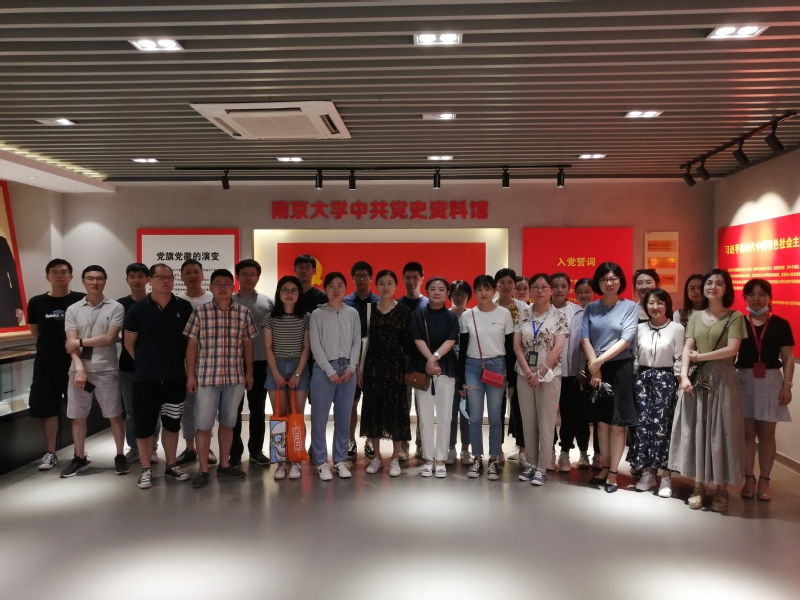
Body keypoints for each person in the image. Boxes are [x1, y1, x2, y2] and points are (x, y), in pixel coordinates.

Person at [669, 269, 747, 512]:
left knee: (722, 431)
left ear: (727, 289)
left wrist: (700, 357)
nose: (712, 286)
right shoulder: (695, 317)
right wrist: (684, 376)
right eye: (709, 283)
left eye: (719, 283)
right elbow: (687, 348)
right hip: (699, 379)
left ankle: (722, 489)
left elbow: (732, 349)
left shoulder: (735, 316)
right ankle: (698, 487)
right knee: (698, 430)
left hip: (723, 379)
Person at [184, 268, 258, 489]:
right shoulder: (200, 312)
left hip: (235, 379)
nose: (223, 287)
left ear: (233, 287)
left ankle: (225, 464)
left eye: (227, 283)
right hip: (206, 379)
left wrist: (249, 373)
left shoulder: (243, 312)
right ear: (211, 287)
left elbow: (248, 344)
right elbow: (191, 346)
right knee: (203, 425)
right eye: (218, 283)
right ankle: (203, 469)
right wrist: (190, 375)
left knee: (228, 423)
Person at [123, 264, 194, 489]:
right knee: (144, 426)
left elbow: (190, 342)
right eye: (160, 277)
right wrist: (146, 363)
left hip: (175, 377)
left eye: (169, 277)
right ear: (150, 280)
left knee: (172, 424)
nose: (166, 281)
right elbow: (129, 343)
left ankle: (171, 464)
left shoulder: (184, 307)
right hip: (145, 379)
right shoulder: (137, 309)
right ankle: (146, 469)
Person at [61, 265, 127, 478]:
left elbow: (109, 338)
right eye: (90, 278)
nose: (94, 282)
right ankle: (79, 457)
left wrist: (79, 342)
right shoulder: (73, 309)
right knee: (78, 416)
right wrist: (79, 368)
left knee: (114, 414)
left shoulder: (116, 307)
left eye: (99, 278)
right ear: (83, 281)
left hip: (106, 369)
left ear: (105, 281)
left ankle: (120, 455)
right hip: (78, 371)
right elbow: (70, 344)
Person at [580, 262, 639, 493]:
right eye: (604, 279)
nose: (609, 283)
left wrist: (598, 362)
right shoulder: (591, 307)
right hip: (596, 367)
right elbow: (585, 338)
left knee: (617, 423)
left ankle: (614, 471)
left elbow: (626, 339)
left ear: (620, 281)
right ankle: (604, 467)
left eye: (614, 278)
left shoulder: (629, 307)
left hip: (620, 367)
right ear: (599, 282)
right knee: (602, 422)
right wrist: (594, 366)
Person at [735, 278, 794, 502]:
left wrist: (787, 385)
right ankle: (748, 478)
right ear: (745, 298)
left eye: (761, 294)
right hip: (744, 380)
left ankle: (765, 480)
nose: (756, 299)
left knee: (767, 435)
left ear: (769, 297)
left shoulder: (780, 324)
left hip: (770, 381)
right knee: (747, 434)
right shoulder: (739, 322)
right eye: (751, 294)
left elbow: (788, 358)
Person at [27, 259, 85, 471]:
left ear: (71, 276)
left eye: (63, 272)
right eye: (54, 272)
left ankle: (80, 452)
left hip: (75, 364)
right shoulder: (36, 302)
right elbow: (35, 332)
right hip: (46, 364)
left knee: (77, 410)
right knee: (48, 409)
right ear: (47, 277)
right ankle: (50, 453)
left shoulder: (81, 300)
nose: (59, 275)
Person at [458, 274, 516, 481]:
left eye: (487, 289)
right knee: (474, 416)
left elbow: (510, 348)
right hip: (473, 367)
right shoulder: (468, 315)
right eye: (479, 289)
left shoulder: (504, 314)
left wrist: (512, 379)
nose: (483, 293)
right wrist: (460, 378)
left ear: (494, 291)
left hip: (497, 367)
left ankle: (493, 459)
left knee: (494, 416)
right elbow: (463, 349)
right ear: (474, 292)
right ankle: (476, 458)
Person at [513, 274, 569, 486]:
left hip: (549, 376)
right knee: (528, 421)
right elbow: (517, 344)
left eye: (544, 287)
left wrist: (541, 372)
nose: (539, 291)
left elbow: (558, 347)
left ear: (551, 290)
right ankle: (531, 463)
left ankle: (542, 467)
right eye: (535, 287)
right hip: (524, 374)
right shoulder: (523, 313)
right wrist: (528, 371)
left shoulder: (559, 316)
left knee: (546, 422)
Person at [629, 289, 684, 497]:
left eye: (660, 302)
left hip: (666, 380)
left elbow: (679, 358)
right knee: (643, 426)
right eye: (651, 303)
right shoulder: (640, 328)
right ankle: (648, 472)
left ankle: (666, 476)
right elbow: (635, 356)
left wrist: (678, 382)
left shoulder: (677, 329)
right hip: (643, 380)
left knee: (664, 427)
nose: (655, 307)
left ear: (667, 305)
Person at [358, 270, 412, 477]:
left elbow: (408, 344)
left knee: (397, 412)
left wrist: (407, 370)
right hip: (372, 368)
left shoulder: (404, 311)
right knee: (373, 411)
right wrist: (359, 368)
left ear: (396, 286)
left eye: (390, 283)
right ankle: (378, 457)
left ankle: (395, 458)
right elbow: (361, 341)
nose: (386, 287)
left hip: (395, 369)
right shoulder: (368, 309)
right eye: (381, 283)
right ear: (376, 286)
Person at [309, 272, 361, 480]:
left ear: (346, 288)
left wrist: (351, 367)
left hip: (347, 369)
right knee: (319, 418)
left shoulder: (352, 313)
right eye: (331, 285)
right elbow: (315, 345)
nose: (336, 289)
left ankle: (340, 460)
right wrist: (329, 371)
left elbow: (356, 342)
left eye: (340, 285)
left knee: (344, 417)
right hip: (324, 370)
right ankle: (321, 461)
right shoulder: (317, 314)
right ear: (325, 289)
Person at [263, 275, 311, 481]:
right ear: (279, 293)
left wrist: (298, 373)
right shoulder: (270, 317)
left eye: (293, 290)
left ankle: (296, 459)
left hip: (299, 367)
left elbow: (306, 348)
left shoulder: (306, 317)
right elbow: (268, 348)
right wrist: (276, 373)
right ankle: (281, 461)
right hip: (276, 367)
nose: (289, 294)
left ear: (299, 294)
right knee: (280, 415)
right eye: (285, 290)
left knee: (297, 415)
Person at [410, 277, 459, 478]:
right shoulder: (418, 313)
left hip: (446, 370)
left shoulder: (451, 316)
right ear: (427, 291)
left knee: (445, 416)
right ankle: (428, 458)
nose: (437, 292)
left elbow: (451, 340)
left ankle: (440, 459)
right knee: (425, 417)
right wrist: (430, 360)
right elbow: (417, 339)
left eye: (441, 289)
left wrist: (434, 358)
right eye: (432, 289)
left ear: (447, 293)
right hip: (423, 371)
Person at [230, 259, 274, 468]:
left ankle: (256, 450)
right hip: (233, 363)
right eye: (244, 274)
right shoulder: (229, 300)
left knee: (258, 409)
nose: (249, 278)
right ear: (238, 276)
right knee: (233, 410)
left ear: (258, 277)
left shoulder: (268, 302)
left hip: (260, 362)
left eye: (253, 274)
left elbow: (275, 332)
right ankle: (234, 452)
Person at [117, 262, 160, 465]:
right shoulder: (120, 305)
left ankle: (153, 449)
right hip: (128, 366)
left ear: (148, 279)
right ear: (127, 280)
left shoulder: (156, 302)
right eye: (132, 276)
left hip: (154, 367)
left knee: (154, 410)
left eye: (140, 276)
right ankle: (134, 449)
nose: (136, 280)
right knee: (131, 411)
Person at [175, 259, 216, 467]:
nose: (192, 276)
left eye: (196, 272)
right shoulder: (176, 300)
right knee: (187, 406)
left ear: (202, 275)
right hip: (182, 361)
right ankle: (190, 447)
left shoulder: (212, 298)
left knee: (207, 407)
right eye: (188, 272)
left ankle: (206, 447)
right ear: (181, 276)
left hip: (210, 361)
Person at [343, 261, 380, 461]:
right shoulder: (346, 302)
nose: (361, 279)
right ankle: (350, 440)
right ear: (352, 278)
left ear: (371, 278)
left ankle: (369, 442)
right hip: (351, 358)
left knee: (372, 404)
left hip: (374, 359)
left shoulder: (379, 302)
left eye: (365, 275)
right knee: (352, 403)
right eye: (358, 275)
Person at [494, 268, 527, 465]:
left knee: (519, 407)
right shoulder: (490, 306)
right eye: (501, 282)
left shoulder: (524, 308)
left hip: (519, 360)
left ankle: (523, 449)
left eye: (509, 282)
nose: (506, 286)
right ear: (496, 285)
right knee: (497, 407)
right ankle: (497, 448)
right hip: (496, 361)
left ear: (514, 285)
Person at [397, 261, 429, 460]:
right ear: (403, 279)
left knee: (423, 407)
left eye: (415, 277)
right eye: (408, 277)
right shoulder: (398, 304)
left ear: (422, 279)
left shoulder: (428, 304)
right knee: (403, 406)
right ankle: (403, 445)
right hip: (402, 361)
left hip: (423, 362)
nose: (411, 281)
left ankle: (422, 444)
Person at [551, 272, 581, 472]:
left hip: (570, 372)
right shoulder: (542, 309)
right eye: (555, 286)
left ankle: (564, 453)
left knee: (569, 415)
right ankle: (549, 450)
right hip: (547, 373)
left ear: (568, 288)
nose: (559, 290)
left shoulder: (577, 312)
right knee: (547, 415)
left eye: (563, 286)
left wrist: (581, 368)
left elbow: (583, 341)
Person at [573, 277, 601, 468]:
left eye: (587, 292)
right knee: (580, 415)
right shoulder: (573, 314)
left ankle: (598, 454)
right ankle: (583, 453)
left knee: (599, 415)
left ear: (594, 293)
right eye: (580, 292)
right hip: (577, 370)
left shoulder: (601, 314)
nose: (584, 295)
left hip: (598, 369)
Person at [446, 280, 473, 465]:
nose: (459, 297)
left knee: (466, 411)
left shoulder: (472, 316)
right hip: (448, 369)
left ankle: (465, 449)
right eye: (455, 293)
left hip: (469, 369)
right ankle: (450, 449)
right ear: (450, 295)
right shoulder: (446, 316)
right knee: (449, 412)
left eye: (463, 293)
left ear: (468, 296)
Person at [0, 235, 24, 327]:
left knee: (9, 331)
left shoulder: (1, 242)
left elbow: (13, 272)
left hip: (3, 301)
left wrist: (18, 304)